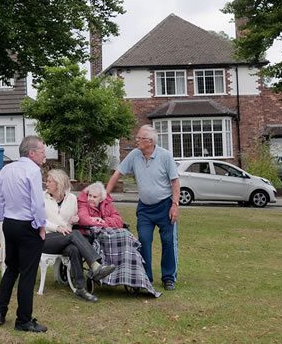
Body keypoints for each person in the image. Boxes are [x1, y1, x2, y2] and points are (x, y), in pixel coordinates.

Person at [106, 125, 180, 291]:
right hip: (145, 209)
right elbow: (118, 173)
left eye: (139, 138)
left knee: (168, 242)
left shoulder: (165, 156)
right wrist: (105, 194)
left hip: (165, 205)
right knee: (144, 241)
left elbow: (175, 182)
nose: (136, 140)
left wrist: (175, 205)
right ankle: (145, 277)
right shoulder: (134, 155)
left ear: (150, 141)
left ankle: (169, 277)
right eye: (137, 138)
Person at [0, 135, 48, 333]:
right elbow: (38, 203)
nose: (45, 155)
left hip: (9, 223)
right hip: (27, 225)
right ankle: (23, 320)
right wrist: (41, 226)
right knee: (27, 274)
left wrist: (2, 218)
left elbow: (0, 198)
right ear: (32, 153)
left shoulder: (6, 169)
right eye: (42, 151)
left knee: (11, 268)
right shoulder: (33, 170)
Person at [42, 169, 116, 302]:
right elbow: (38, 219)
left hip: (65, 238)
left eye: (49, 181)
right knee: (74, 234)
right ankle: (95, 266)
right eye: (46, 181)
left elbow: (79, 216)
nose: (46, 184)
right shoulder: (42, 197)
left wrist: (75, 220)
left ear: (58, 183)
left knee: (74, 249)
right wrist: (57, 227)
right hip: (46, 239)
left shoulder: (72, 199)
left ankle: (81, 288)